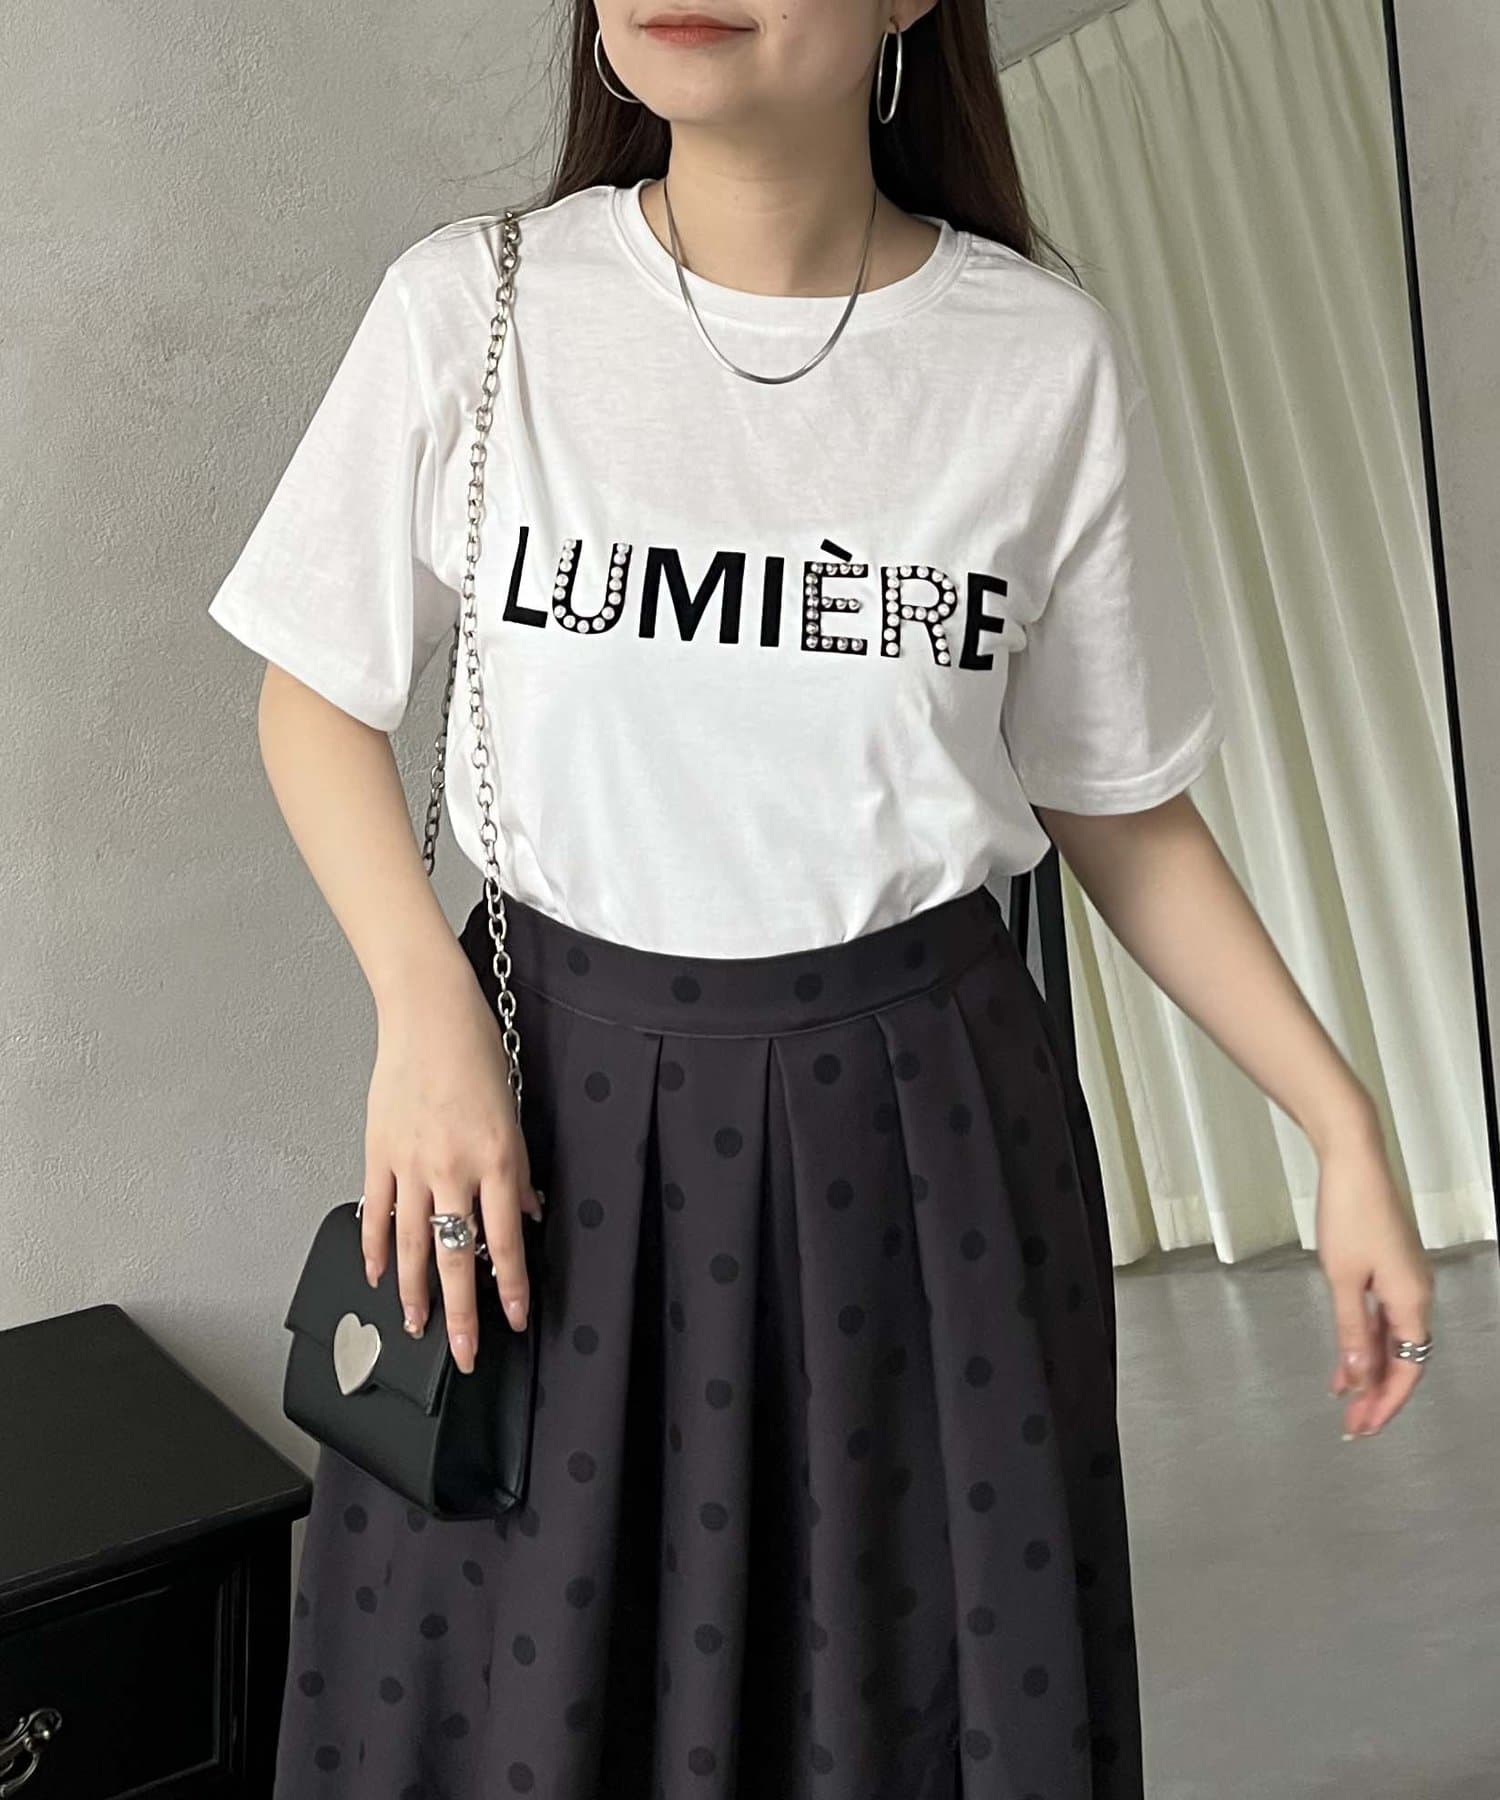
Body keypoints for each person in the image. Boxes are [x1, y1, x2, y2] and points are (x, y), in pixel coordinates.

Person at [207, 4, 1435, 1796]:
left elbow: (1120, 810)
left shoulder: (1036, 364)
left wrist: (1341, 1125)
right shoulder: (474, 309)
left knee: (902, 1706)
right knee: (515, 1702)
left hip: (920, 1148)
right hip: (546, 1126)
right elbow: (313, 694)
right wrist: (421, 1005)